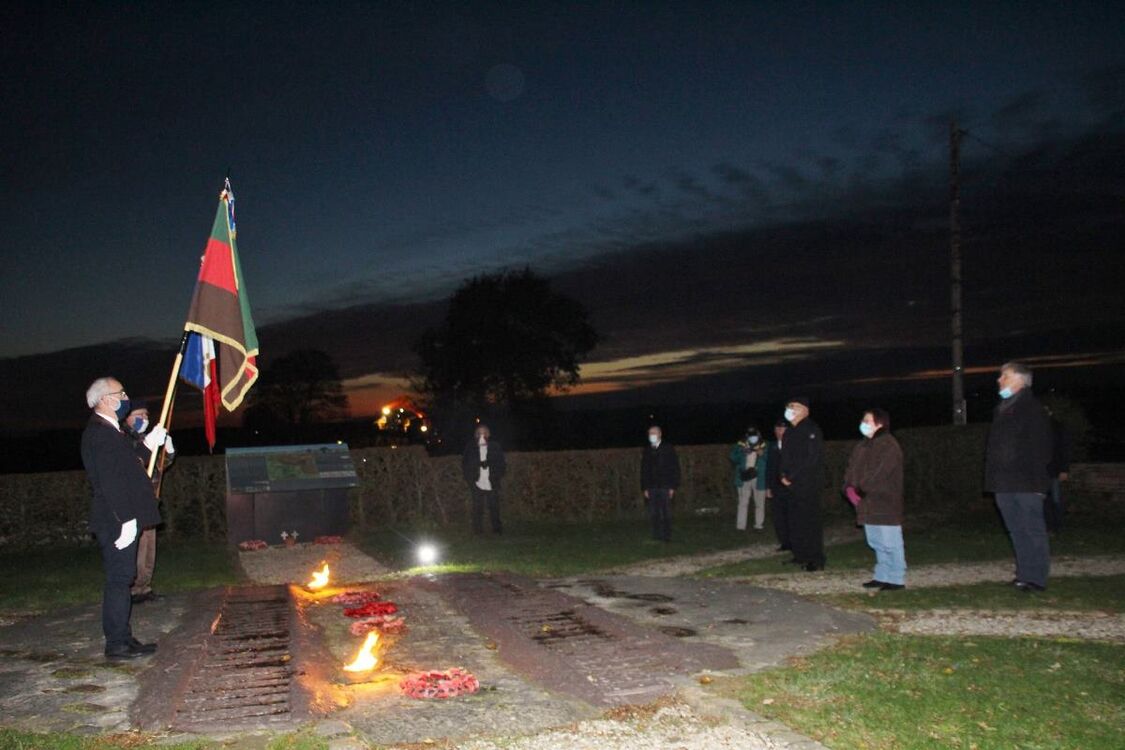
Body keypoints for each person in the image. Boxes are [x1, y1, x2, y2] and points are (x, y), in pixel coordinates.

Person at [80, 377, 166, 659]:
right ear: (105, 399)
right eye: (122, 393)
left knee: (124, 576)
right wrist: (126, 520)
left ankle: (124, 638)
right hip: (116, 520)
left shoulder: (113, 431)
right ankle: (116, 643)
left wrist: (151, 442)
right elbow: (110, 482)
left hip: (121, 518)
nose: (126, 398)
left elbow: (131, 463)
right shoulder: (99, 433)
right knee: (119, 579)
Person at [984, 361, 1053, 592]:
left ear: (1019, 380)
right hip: (1004, 482)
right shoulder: (1002, 408)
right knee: (1016, 530)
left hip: (1027, 482)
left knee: (1032, 529)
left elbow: (1040, 448)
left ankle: (1037, 578)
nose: (999, 380)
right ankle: (1024, 574)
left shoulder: (1032, 409)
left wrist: (1038, 485)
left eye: (1004, 376)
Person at [844, 408, 906, 590]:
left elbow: (880, 473)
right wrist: (848, 487)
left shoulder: (888, 445)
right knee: (876, 542)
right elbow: (851, 468)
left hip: (884, 501)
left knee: (891, 542)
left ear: (879, 423)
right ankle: (882, 575)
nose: (863, 424)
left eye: (867, 421)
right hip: (867, 503)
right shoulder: (862, 445)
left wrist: (862, 488)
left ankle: (896, 577)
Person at [120, 400, 174, 604]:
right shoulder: (123, 438)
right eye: (139, 415)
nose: (143, 419)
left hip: (150, 500)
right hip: (133, 501)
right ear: (127, 417)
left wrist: (168, 450)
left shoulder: (144, 438)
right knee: (138, 547)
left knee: (149, 546)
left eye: (146, 415)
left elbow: (161, 464)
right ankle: (133, 588)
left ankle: (144, 586)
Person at [778, 397, 825, 571]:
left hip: (807, 483)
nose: (790, 409)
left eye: (794, 407)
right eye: (788, 406)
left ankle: (815, 558)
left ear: (805, 410)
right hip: (791, 485)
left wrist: (793, 476)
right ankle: (800, 555)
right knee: (795, 521)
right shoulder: (789, 432)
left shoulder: (811, 430)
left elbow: (811, 458)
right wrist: (782, 475)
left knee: (809, 522)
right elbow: (785, 458)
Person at [461, 424, 506, 535]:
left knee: (494, 506)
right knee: (477, 507)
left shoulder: (494, 446)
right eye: (480, 433)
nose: (482, 435)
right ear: (476, 435)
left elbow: (501, 463)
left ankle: (497, 530)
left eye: (484, 432)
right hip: (477, 482)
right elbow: (465, 464)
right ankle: (478, 530)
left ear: (488, 434)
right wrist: (471, 479)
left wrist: (494, 472)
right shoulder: (471, 447)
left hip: (492, 482)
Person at [641, 425, 680, 542]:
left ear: (660, 434)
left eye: (654, 433)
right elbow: (644, 470)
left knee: (665, 511)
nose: (651, 435)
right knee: (654, 512)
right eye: (650, 433)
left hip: (665, 486)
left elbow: (674, 468)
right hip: (652, 486)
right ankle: (656, 535)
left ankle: (666, 535)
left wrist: (672, 486)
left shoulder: (668, 448)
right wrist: (645, 487)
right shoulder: (647, 450)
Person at [729, 427, 768, 531]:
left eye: (754, 436)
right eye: (751, 436)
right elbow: (732, 457)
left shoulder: (764, 445)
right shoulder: (740, 445)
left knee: (759, 503)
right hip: (744, 477)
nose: (753, 438)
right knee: (742, 502)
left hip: (759, 478)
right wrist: (742, 452)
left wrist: (762, 454)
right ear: (747, 436)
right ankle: (740, 526)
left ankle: (759, 525)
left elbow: (771, 460)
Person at [1044, 408, 1071, 534]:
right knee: (1045, 499)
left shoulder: (1058, 427)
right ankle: (1049, 526)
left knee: (1055, 499)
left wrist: (1064, 469)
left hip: (1054, 470)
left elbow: (1064, 449)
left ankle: (1058, 526)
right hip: (1042, 470)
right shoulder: (1037, 427)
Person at [766, 419, 790, 552]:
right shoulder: (773, 446)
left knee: (791, 514)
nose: (779, 432)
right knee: (778, 516)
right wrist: (768, 487)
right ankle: (784, 542)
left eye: (782, 429)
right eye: (777, 429)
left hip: (790, 486)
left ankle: (795, 540)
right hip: (776, 487)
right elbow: (769, 467)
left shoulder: (794, 445)